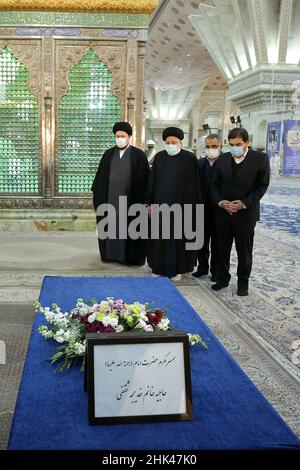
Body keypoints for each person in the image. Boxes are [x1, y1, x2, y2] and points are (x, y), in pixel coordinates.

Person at [210, 128, 270, 296]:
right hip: (223, 213)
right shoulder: (222, 159)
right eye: (231, 145)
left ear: (247, 143)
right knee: (222, 249)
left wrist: (243, 203)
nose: (235, 147)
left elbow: (262, 186)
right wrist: (221, 202)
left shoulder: (260, 159)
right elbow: (214, 185)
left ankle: (243, 282)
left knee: (244, 251)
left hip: (246, 214)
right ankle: (222, 279)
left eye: (238, 144)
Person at [145, 127, 202, 281]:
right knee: (159, 239)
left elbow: (195, 186)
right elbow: (152, 181)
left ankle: (176, 270)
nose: (170, 144)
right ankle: (158, 267)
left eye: (173, 142)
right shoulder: (161, 157)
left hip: (181, 209)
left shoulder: (190, 159)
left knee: (178, 240)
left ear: (180, 142)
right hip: (160, 207)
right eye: (168, 142)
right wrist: (148, 204)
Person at [91, 122, 150, 265]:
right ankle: (110, 255)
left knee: (130, 229)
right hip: (110, 201)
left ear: (129, 137)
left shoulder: (139, 155)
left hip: (132, 202)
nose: (119, 138)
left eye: (122, 136)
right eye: (117, 136)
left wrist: (147, 202)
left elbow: (147, 181)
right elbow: (99, 180)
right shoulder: (108, 154)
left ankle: (129, 258)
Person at [193, 134, 222, 281]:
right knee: (202, 242)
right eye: (208, 146)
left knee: (217, 243)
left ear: (220, 146)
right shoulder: (200, 163)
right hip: (202, 208)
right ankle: (202, 267)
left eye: (214, 146)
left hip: (219, 210)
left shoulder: (226, 162)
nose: (211, 149)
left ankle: (216, 270)